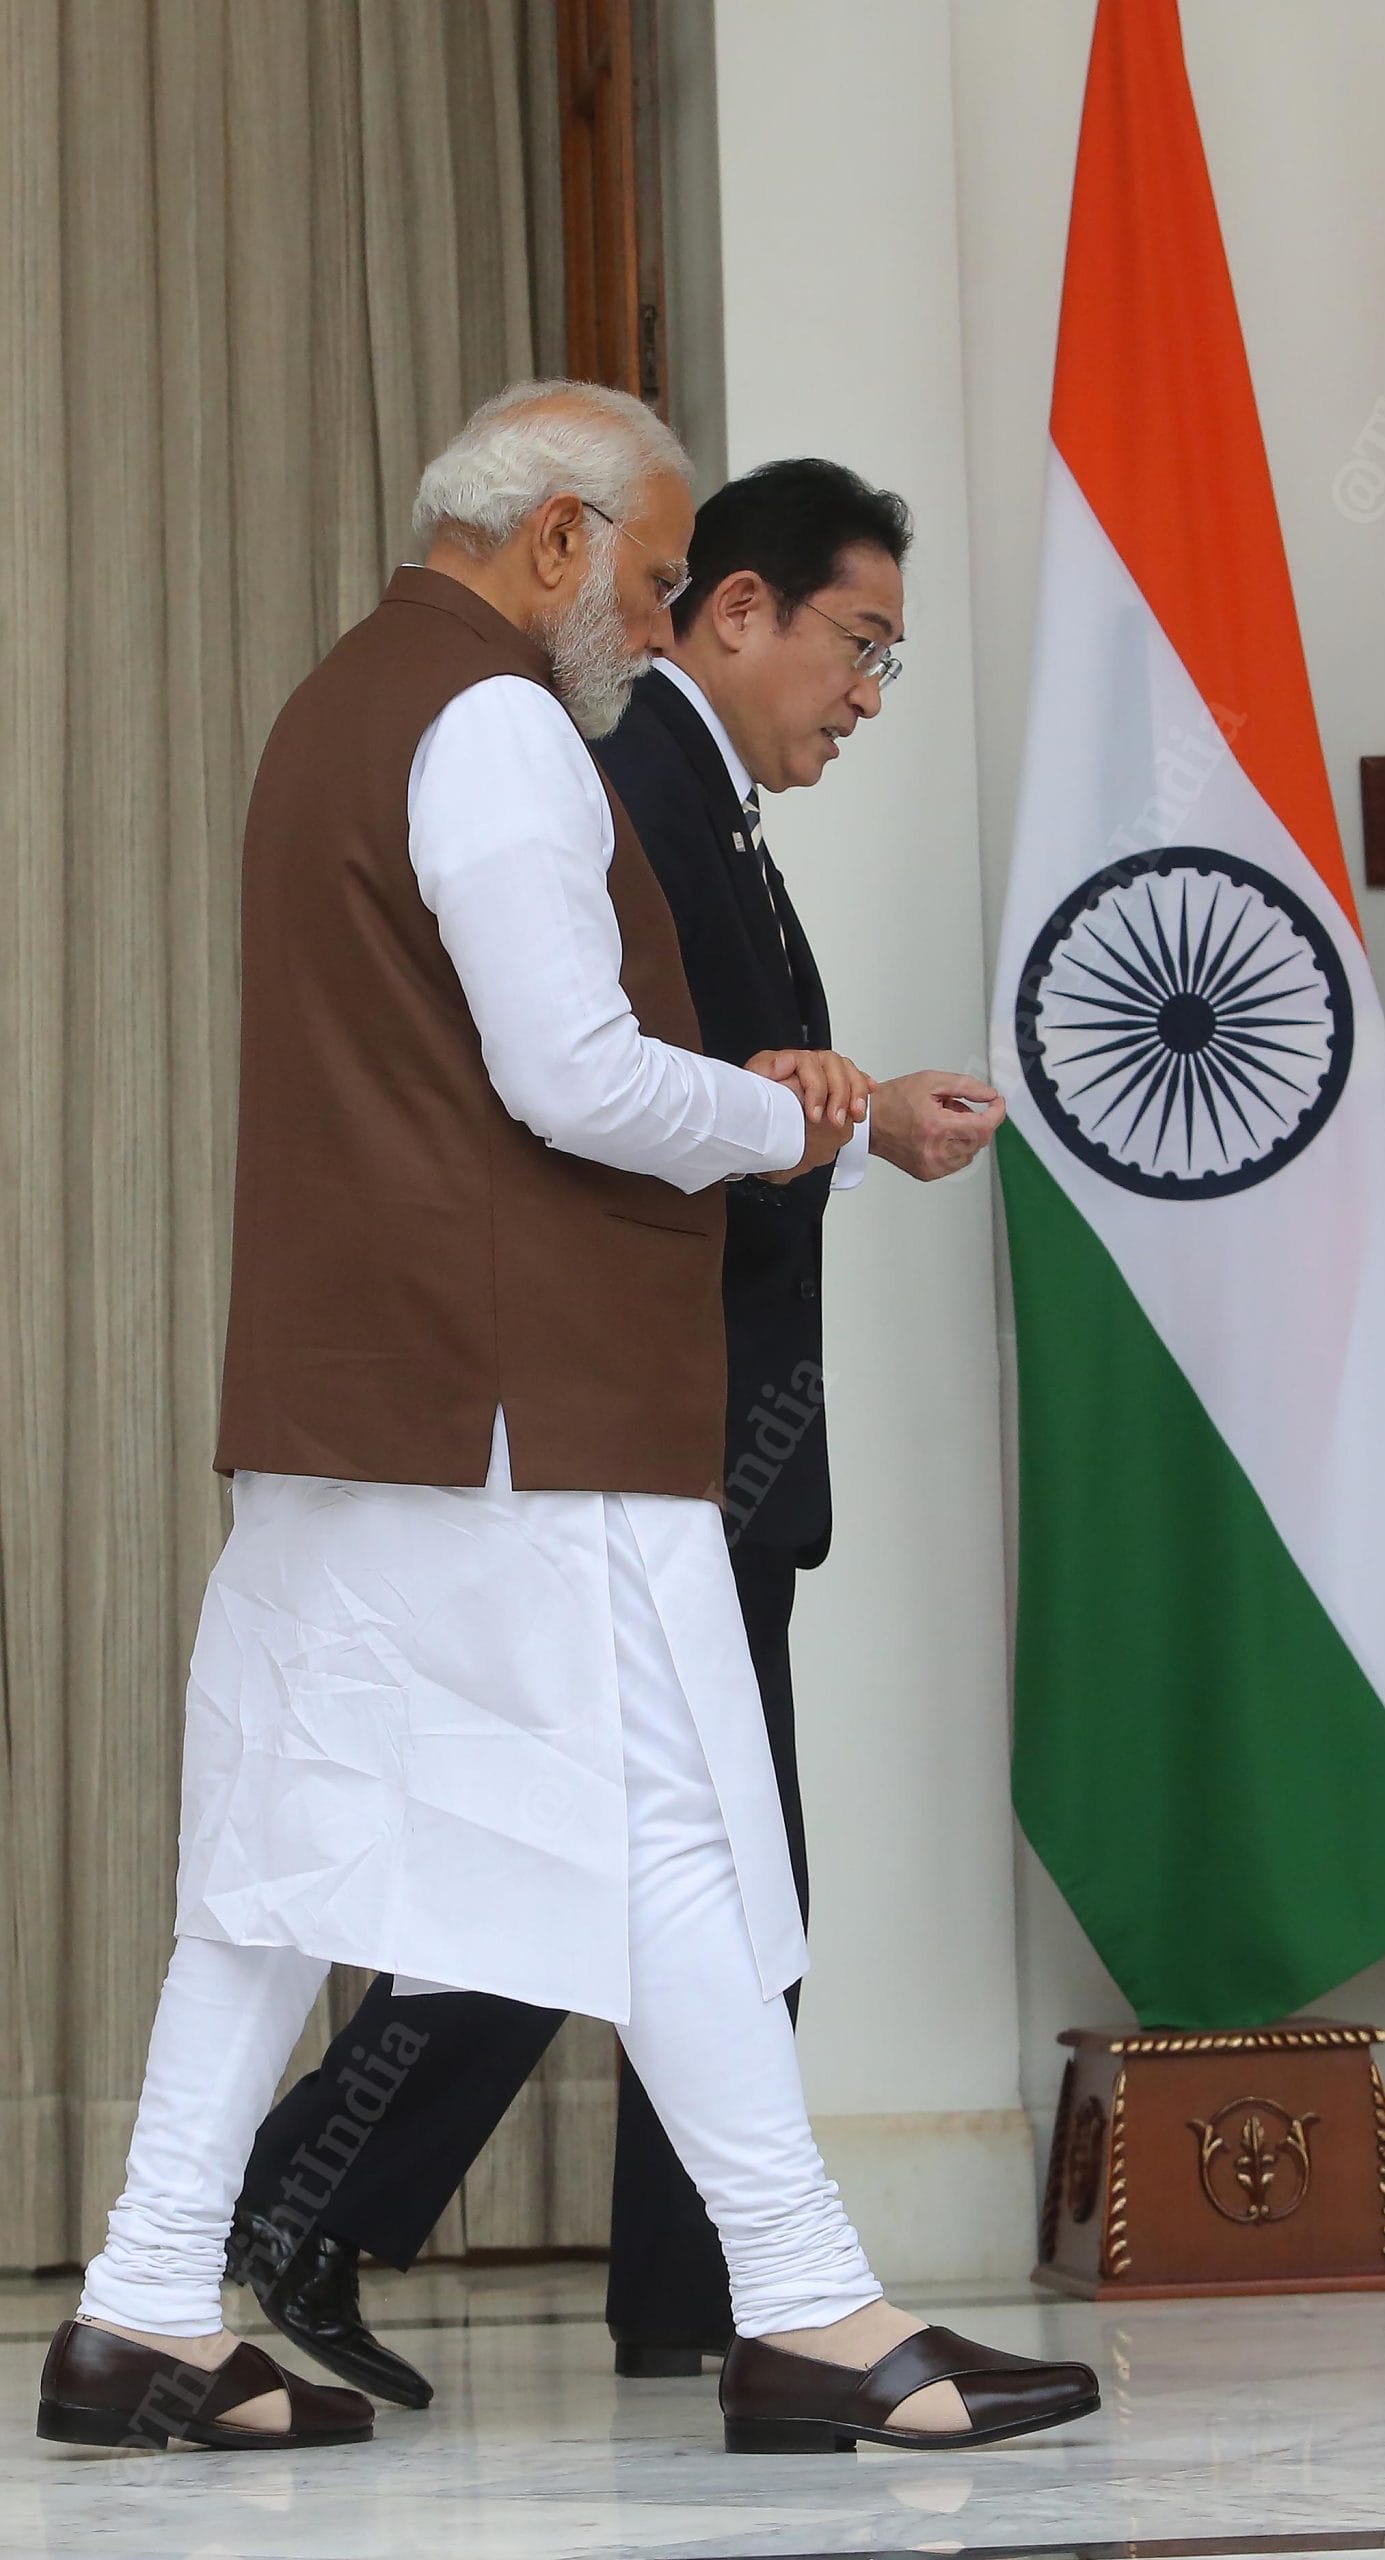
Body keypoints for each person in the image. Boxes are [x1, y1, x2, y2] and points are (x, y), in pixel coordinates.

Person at [36, 381, 1096, 2457]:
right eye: (638, 568)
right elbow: (573, 1074)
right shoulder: (500, 720)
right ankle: (803, 2309)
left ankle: (146, 2301)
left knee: (270, 1866)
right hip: (515, 1402)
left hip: (357, 1400)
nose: (649, 608)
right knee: (679, 1830)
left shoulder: (333, 706)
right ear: (545, 541)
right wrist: (825, 1122)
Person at [221, 457, 1006, 2412]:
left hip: (670, 1419)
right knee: (630, 1854)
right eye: (858, 641)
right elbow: (588, 1092)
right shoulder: (618, 777)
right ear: (728, 605)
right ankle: (341, 2203)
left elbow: (717, 1080)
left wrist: (844, 1111)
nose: (867, 689)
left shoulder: (687, 794)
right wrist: (803, 1118)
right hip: (622, 1422)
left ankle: (698, 2284)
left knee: (667, 1859)